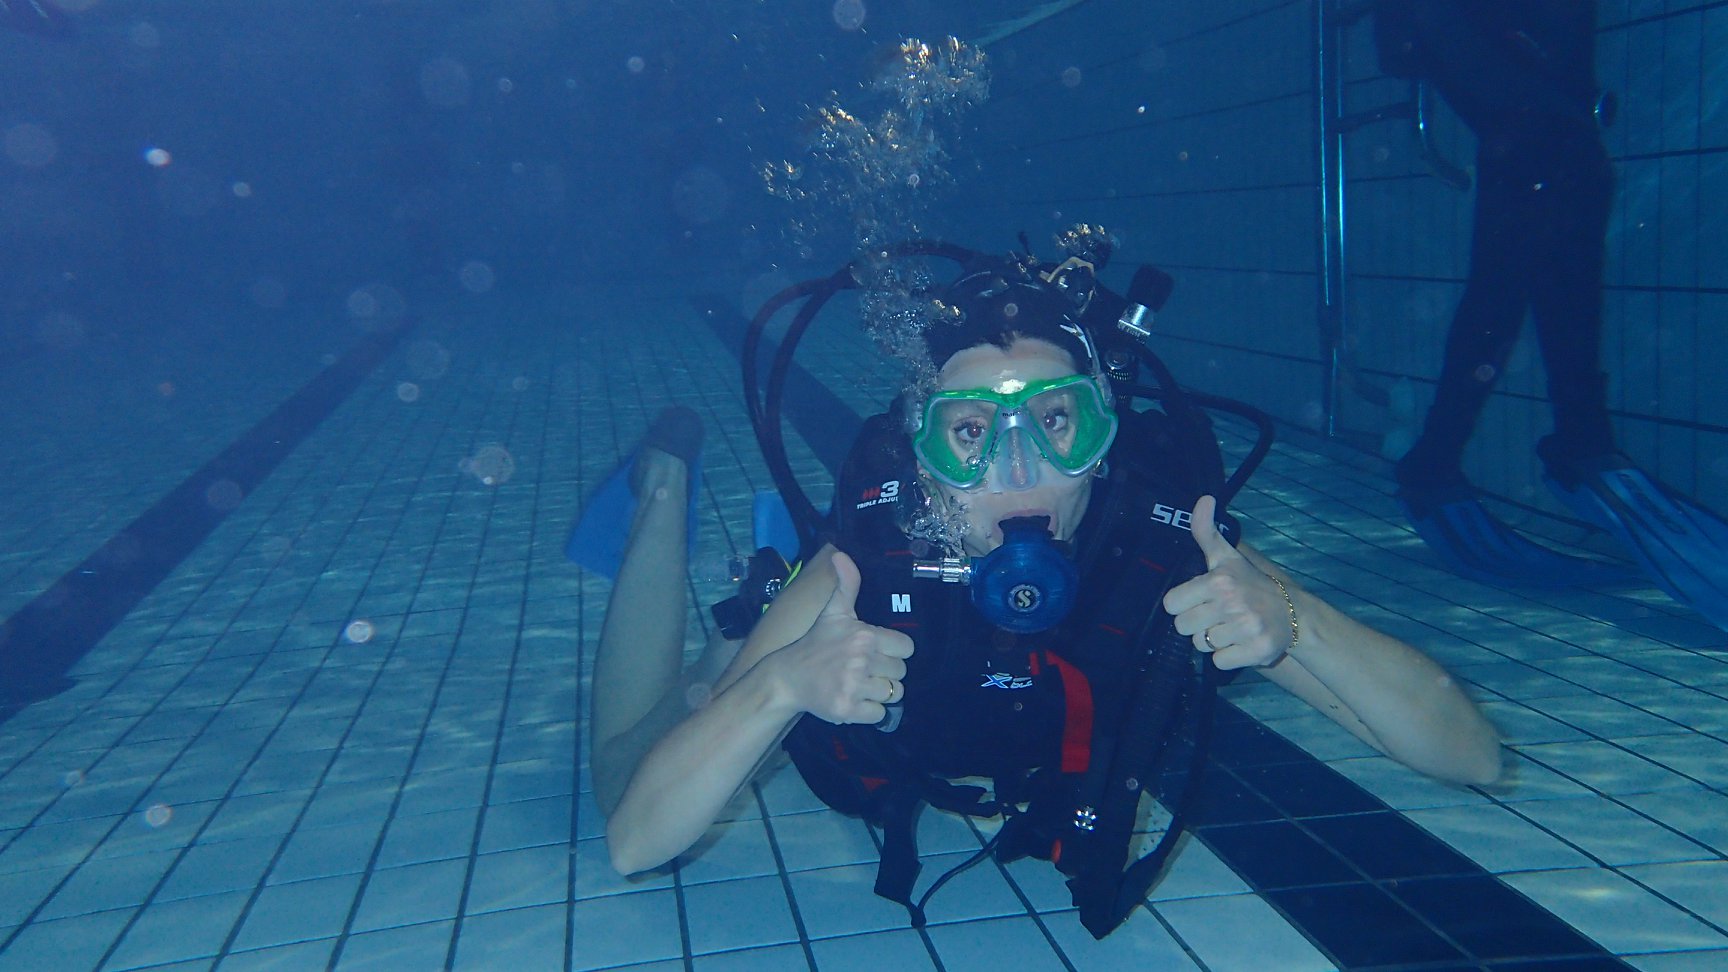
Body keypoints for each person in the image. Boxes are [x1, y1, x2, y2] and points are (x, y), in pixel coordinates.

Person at [581, 242, 1502, 937]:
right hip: (835, 675)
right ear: (924, 456)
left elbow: (1469, 755)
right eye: (974, 433)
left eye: (1057, 421)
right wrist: (781, 684)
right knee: (633, 757)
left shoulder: (1176, 548)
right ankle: (664, 485)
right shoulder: (865, 566)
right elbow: (636, 841)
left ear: (1103, 432)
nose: (1020, 473)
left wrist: (1294, 624)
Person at [1374, 0, 1728, 628]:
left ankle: (1499, 449)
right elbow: (1407, 50)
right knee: (1522, 283)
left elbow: (1407, 53)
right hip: (1539, 130)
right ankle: (1559, 441)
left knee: (1515, 287)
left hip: (1538, 129)